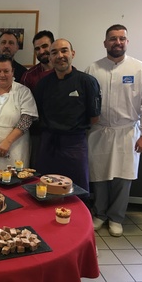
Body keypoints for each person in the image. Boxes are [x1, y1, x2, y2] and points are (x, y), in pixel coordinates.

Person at [85, 24, 142, 237]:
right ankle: (99, 214)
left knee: (122, 178)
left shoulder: (140, 69)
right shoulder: (93, 69)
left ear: (127, 42)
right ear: (105, 42)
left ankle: (116, 217)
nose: (118, 42)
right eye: (113, 38)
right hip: (99, 131)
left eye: (122, 38)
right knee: (99, 175)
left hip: (126, 132)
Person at [34, 38, 101, 194]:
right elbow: (38, 113)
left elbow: (94, 117)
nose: (60, 56)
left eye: (64, 50)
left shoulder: (87, 82)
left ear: (73, 53)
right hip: (48, 143)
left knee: (77, 189)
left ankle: (79, 218)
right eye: (54, 52)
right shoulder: (43, 84)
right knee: (44, 187)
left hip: (75, 144)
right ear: (50, 58)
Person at [20, 30, 55, 169]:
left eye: (45, 46)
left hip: (64, 134)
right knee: (37, 171)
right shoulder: (29, 76)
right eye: (37, 49)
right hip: (38, 134)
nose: (42, 51)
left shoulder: (67, 72)